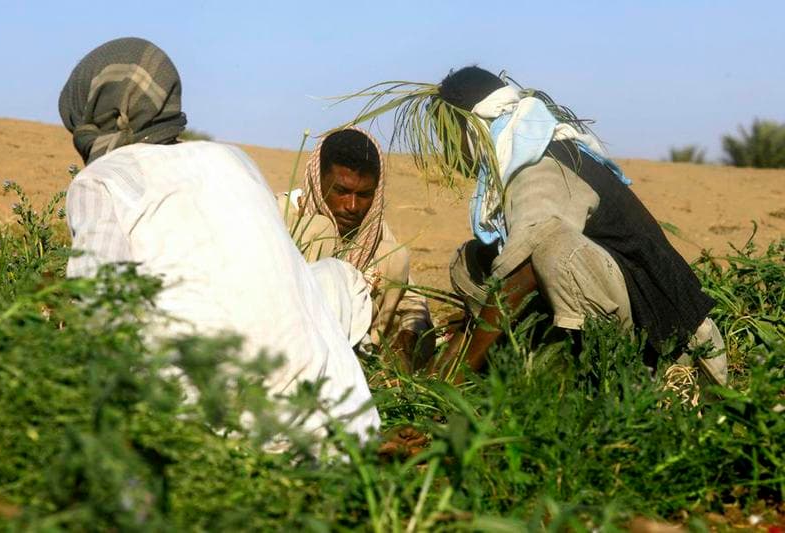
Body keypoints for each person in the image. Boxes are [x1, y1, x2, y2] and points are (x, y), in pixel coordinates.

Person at [59, 37, 380, 443]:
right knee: (335, 276)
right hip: (333, 419)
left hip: (214, 418)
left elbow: (101, 308)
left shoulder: (99, 181)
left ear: (99, 111)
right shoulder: (234, 159)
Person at [425, 66, 727, 385]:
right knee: (473, 261)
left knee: (550, 248)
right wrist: (445, 362)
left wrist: (457, 374)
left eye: (448, 137)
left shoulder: (539, 168)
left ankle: (614, 383)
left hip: (674, 349)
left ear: (470, 128)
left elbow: (522, 269)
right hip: (625, 310)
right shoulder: (526, 155)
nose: (448, 151)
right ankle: (529, 363)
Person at [278, 128, 434, 370]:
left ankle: (368, 371)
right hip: (285, 344)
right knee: (319, 230)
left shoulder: (372, 229)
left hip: (354, 360)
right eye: (341, 191)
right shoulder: (280, 216)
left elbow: (413, 303)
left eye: (363, 195)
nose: (352, 206)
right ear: (317, 181)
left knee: (394, 256)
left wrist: (407, 343)